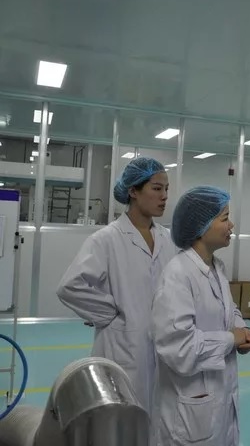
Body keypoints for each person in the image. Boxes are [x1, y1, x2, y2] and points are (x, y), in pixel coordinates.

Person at [57, 157, 177, 414]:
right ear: (133, 191)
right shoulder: (106, 239)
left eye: (166, 189)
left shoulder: (168, 240)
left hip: (162, 347)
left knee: (156, 418)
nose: (164, 196)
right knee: (121, 419)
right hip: (121, 346)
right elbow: (70, 286)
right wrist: (109, 313)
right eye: (157, 188)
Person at [151, 186, 250, 446]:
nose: (231, 225)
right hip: (190, 408)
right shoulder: (178, 274)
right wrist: (231, 339)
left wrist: (243, 329)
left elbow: (228, 309)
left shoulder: (217, 267)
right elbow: (180, 348)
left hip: (219, 397)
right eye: (224, 218)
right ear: (201, 226)